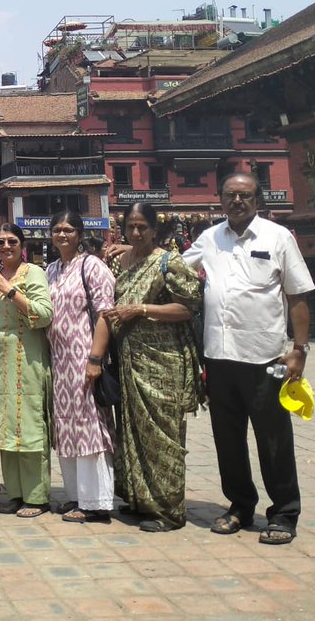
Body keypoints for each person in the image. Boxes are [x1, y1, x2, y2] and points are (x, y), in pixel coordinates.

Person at [183, 173, 315, 546]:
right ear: (220, 199)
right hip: (220, 358)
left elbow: (298, 296)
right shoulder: (210, 238)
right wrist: (129, 253)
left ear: (258, 199)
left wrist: (299, 350)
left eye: (245, 195)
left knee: (273, 437)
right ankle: (240, 505)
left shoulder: (278, 238)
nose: (237, 201)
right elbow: (174, 268)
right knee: (228, 438)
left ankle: (285, 512)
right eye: (230, 195)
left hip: (267, 358)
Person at [107, 201, 204, 532]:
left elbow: (189, 306)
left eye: (142, 227)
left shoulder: (167, 261)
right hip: (130, 359)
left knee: (162, 436)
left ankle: (169, 511)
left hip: (163, 361)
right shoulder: (122, 261)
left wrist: (142, 309)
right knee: (134, 432)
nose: (136, 233)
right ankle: (141, 499)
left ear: (153, 229)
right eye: (130, 227)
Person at [46, 209, 117, 524]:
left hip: (85, 358)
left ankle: (97, 501)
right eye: (57, 229)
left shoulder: (92, 266)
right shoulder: (50, 270)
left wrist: (95, 358)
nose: (62, 235)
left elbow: (105, 313)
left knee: (89, 428)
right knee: (66, 428)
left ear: (79, 234)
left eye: (68, 230)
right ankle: (75, 495)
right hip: (60, 363)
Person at [0, 223, 54, 518]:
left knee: (28, 425)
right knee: (5, 430)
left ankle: (36, 497)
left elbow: (44, 314)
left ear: (22, 244)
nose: (6, 247)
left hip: (27, 360)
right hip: (1, 365)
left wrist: (11, 291)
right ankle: (15, 493)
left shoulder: (33, 273)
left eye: (12, 241)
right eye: (0, 242)